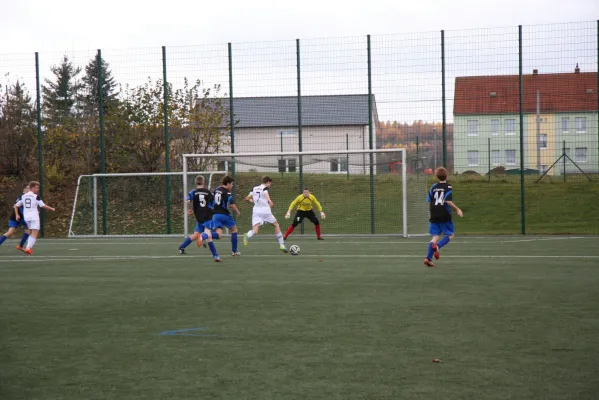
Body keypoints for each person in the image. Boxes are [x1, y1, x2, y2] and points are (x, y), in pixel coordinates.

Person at [424, 167, 463, 267]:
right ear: (447, 175)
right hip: (444, 213)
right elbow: (447, 200)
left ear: (436, 176)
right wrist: (457, 209)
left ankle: (428, 258)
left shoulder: (433, 186)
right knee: (450, 235)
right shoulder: (448, 187)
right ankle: (437, 247)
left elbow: (429, 200)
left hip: (434, 213)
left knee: (435, 237)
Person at [242, 176, 288, 253]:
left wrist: (252, 200)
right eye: (270, 183)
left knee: (255, 230)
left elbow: (247, 198)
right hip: (265, 210)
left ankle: (247, 235)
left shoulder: (254, 188)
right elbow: (265, 193)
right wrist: (269, 201)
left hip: (256, 211)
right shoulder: (265, 188)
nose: (270, 185)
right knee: (276, 225)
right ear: (267, 182)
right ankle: (282, 245)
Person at [14, 181, 55, 255]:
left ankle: (28, 247)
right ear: (32, 187)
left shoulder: (23, 196)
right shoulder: (36, 196)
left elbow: (16, 205)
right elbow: (42, 205)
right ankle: (28, 248)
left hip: (27, 217)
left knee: (32, 232)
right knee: (34, 233)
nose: (37, 189)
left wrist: (17, 214)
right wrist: (51, 208)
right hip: (34, 217)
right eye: (36, 187)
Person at [178, 175, 215, 256]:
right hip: (207, 215)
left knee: (195, 234)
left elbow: (187, 201)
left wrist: (188, 209)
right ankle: (205, 241)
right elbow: (213, 204)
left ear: (196, 183)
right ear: (203, 182)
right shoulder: (207, 192)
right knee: (210, 232)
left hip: (199, 217)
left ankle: (181, 247)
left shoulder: (193, 192)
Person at [211, 175, 241, 256]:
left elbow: (211, 200)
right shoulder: (227, 192)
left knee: (219, 235)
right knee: (234, 230)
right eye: (231, 184)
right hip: (224, 214)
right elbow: (232, 205)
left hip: (215, 215)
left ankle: (204, 236)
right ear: (227, 183)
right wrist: (238, 212)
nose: (232, 185)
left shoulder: (216, 189)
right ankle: (234, 251)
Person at [0, 183, 32, 251]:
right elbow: (16, 206)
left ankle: (20, 246)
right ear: (24, 189)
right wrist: (18, 214)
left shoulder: (31, 197)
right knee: (10, 232)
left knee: (29, 231)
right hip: (15, 216)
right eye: (27, 188)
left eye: (30, 188)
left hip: (24, 217)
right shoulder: (21, 197)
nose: (29, 189)